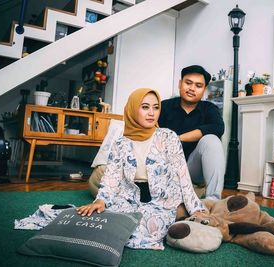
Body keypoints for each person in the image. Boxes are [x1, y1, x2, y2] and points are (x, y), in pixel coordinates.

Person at [77, 88, 206, 250]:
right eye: (145, 107)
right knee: (99, 222)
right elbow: (112, 178)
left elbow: (183, 175)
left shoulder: (168, 137)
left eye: (156, 107)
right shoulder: (120, 144)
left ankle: (179, 214)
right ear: (132, 109)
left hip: (163, 201)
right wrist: (101, 201)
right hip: (128, 199)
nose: (151, 113)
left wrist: (196, 209)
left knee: (149, 227)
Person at [158, 65, 225, 200]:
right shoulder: (164, 106)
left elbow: (218, 127)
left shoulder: (209, 108)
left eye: (198, 85)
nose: (192, 88)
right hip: (166, 165)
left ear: (204, 90)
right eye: (188, 83)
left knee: (211, 139)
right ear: (180, 83)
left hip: (192, 168)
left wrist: (178, 138)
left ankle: (213, 199)